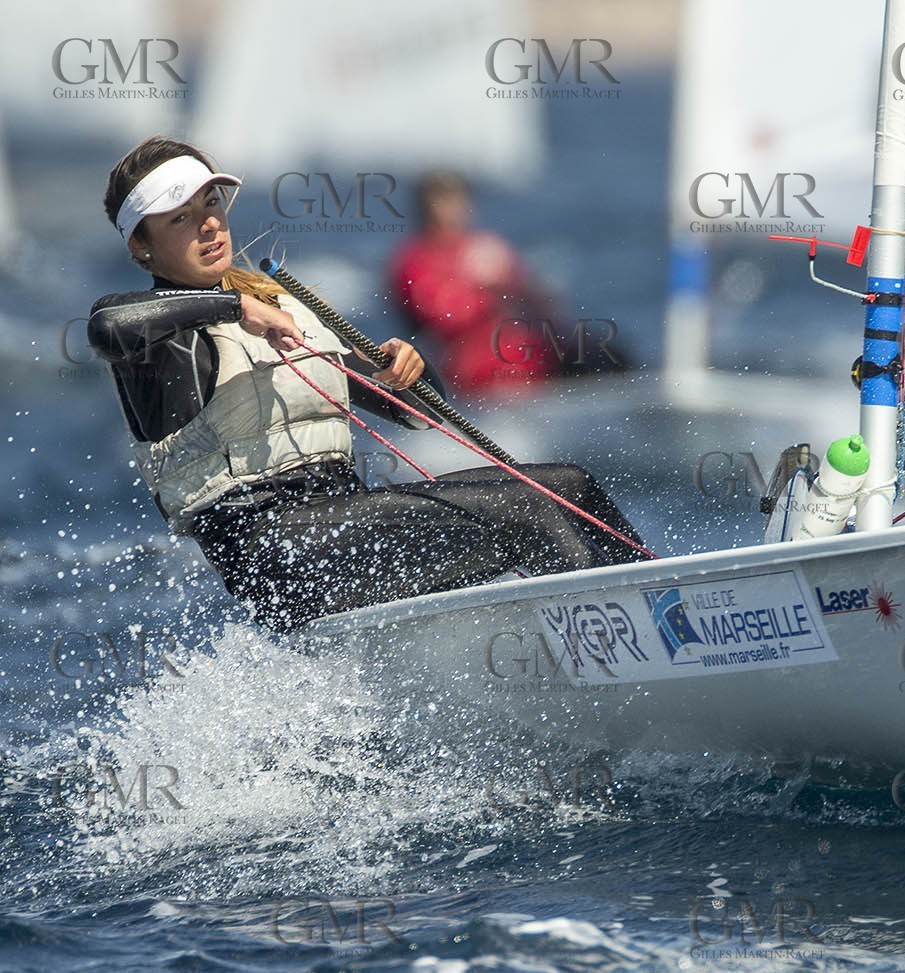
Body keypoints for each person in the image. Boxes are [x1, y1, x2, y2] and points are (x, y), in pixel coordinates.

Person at [89, 137, 647, 632]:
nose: (209, 223)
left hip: (342, 523)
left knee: (570, 486)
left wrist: (404, 375)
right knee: (531, 511)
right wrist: (237, 305)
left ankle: (665, 609)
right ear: (142, 246)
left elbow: (413, 413)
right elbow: (105, 324)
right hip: (274, 553)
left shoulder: (280, 305)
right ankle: (640, 644)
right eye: (180, 219)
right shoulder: (155, 343)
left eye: (210, 203)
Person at [388, 172, 628, 396]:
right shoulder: (416, 259)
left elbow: (536, 301)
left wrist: (537, 294)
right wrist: (484, 287)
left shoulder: (485, 246)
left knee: (605, 354)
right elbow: (443, 316)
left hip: (530, 355)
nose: (452, 210)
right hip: (474, 369)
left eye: (457, 201)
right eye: (443, 201)